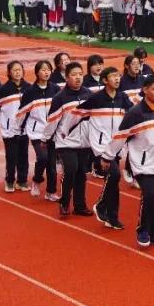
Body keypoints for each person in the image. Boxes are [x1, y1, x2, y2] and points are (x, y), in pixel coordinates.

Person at [109, 75, 154, 248]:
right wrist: (107, 156)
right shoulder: (135, 113)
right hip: (143, 163)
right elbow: (121, 136)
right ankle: (143, 230)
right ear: (145, 90)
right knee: (151, 194)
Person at [82, 67, 132, 230]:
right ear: (104, 80)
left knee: (113, 180)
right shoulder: (95, 98)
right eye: (113, 76)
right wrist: (64, 131)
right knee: (115, 174)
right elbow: (77, 114)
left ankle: (112, 217)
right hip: (101, 147)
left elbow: (133, 114)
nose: (117, 79)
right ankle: (101, 205)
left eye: (118, 76)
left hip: (116, 146)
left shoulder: (122, 97)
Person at [43, 62, 93, 218]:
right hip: (65, 141)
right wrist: (45, 138)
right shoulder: (60, 98)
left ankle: (80, 205)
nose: (78, 77)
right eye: (74, 75)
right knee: (71, 169)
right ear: (66, 77)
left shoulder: (89, 94)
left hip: (84, 142)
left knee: (81, 173)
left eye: (80, 74)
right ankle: (64, 202)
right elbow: (52, 120)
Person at [0, 61, 31, 193]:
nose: (18, 72)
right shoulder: (4, 90)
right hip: (9, 130)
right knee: (11, 156)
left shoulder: (28, 88)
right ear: (9, 73)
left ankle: (22, 180)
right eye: (14, 70)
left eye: (19, 69)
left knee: (23, 155)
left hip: (24, 129)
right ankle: (10, 180)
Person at [17, 60, 60, 200]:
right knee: (42, 157)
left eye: (48, 69)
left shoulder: (55, 89)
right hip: (37, 132)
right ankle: (37, 180)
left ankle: (51, 192)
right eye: (43, 70)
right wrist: (19, 128)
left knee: (52, 165)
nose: (46, 72)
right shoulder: (30, 92)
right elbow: (21, 112)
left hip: (52, 132)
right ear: (37, 73)